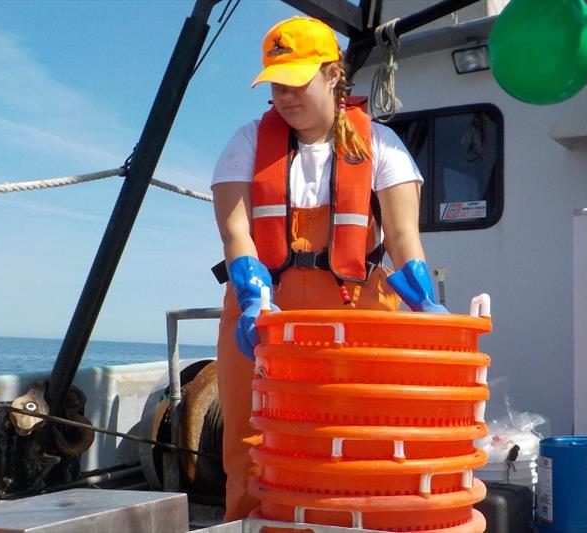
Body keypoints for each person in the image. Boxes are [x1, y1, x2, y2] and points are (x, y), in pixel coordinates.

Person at [211, 16, 446, 521]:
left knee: (354, 438)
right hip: (262, 314)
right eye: (277, 84)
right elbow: (237, 234)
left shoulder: (381, 145)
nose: (286, 95)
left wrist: (425, 302)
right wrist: (254, 299)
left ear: (333, 74)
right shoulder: (245, 143)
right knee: (251, 445)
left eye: (298, 81)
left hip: (353, 311)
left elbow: (404, 240)